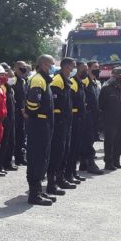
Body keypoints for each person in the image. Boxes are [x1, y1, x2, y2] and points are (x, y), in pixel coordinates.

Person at [24, 55, 56, 206]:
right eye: (50, 65)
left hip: (44, 124)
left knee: (44, 157)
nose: (52, 68)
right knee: (36, 158)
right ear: (43, 65)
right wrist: (34, 116)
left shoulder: (44, 80)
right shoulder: (38, 79)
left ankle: (38, 190)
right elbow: (32, 103)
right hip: (38, 124)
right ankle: (34, 194)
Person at [47, 57, 77, 196]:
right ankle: (52, 183)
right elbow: (53, 104)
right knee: (57, 152)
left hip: (66, 122)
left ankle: (61, 178)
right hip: (59, 122)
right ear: (66, 67)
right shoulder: (57, 80)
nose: (73, 70)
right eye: (72, 67)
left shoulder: (66, 80)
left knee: (65, 151)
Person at [99, 67, 121, 170]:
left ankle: (117, 162)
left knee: (119, 141)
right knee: (110, 142)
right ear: (113, 76)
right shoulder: (106, 88)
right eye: (119, 76)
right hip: (110, 120)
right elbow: (101, 105)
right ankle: (108, 163)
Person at [64, 62, 89, 184]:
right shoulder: (73, 83)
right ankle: (68, 174)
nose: (86, 71)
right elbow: (71, 102)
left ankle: (73, 172)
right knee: (72, 148)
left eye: (86, 69)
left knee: (76, 149)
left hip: (80, 119)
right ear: (77, 69)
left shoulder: (81, 83)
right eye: (83, 69)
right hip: (74, 120)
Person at [80, 61, 104, 175]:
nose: (97, 69)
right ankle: (90, 163)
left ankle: (83, 163)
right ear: (88, 69)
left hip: (94, 115)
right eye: (95, 67)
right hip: (86, 115)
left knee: (91, 139)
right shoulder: (85, 81)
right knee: (88, 140)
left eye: (98, 67)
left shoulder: (95, 82)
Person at [0, 62, 17, 172]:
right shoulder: (2, 87)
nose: (11, 78)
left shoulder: (10, 88)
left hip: (11, 117)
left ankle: (7, 163)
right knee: (3, 143)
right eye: (9, 76)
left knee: (10, 142)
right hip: (4, 119)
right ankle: (0, 165)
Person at [12, 61, 30, 166]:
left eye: (24, 67)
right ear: (16, 67)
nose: (23, 69)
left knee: (21, 136)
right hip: (15, 112)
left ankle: (20, 158)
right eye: (21, 67)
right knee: (15, 136)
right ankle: (12, 158)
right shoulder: (13, 80)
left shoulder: (22, 81)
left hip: (22, 112)